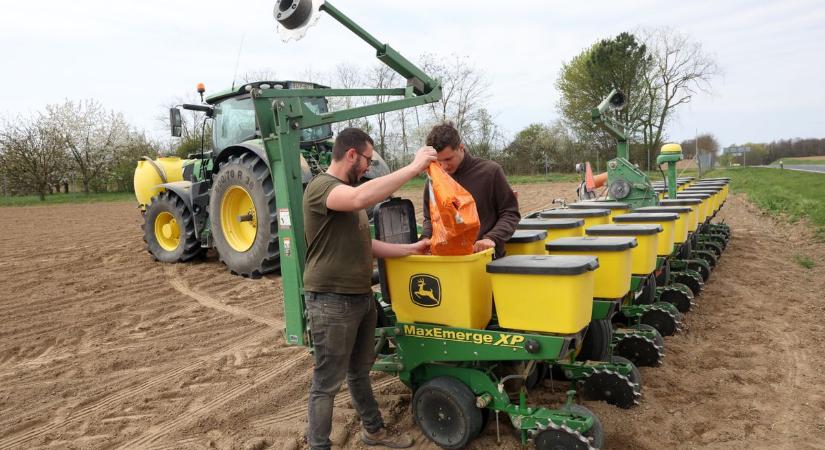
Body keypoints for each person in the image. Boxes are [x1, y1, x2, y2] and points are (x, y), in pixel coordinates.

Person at [302, 127, 436, 450]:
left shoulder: (349, 197)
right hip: (331, 302)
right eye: (366, 159)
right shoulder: (323, 188)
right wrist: (414, 168)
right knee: (326, 382)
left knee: (360, 371)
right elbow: (363, 196)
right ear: (350, 154)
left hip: (361, 298)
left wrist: (411, 249)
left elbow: (368, 244)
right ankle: (318, 445)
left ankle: (374, 431)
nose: (367, 166)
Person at [421, 122, 520, 258]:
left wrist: (491, 238)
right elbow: (429, 218)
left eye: (448, 159)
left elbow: (510, 213)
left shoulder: (490, 172)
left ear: (461, 148)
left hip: (483, 259)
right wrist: (425, 238)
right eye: (438, 162)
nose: (443, 167)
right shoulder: (433, 181)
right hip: (445, 260)